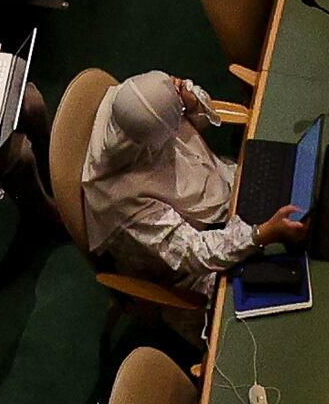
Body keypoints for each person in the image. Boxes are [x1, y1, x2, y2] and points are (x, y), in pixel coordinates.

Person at [75, 69, 302, 313]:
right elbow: (194, 253)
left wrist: (191, 103)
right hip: (193, 270)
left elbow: (189, 106)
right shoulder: (123, 199)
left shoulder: (135, 96)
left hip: (227, 187)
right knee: (289, 289)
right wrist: (261, 235)